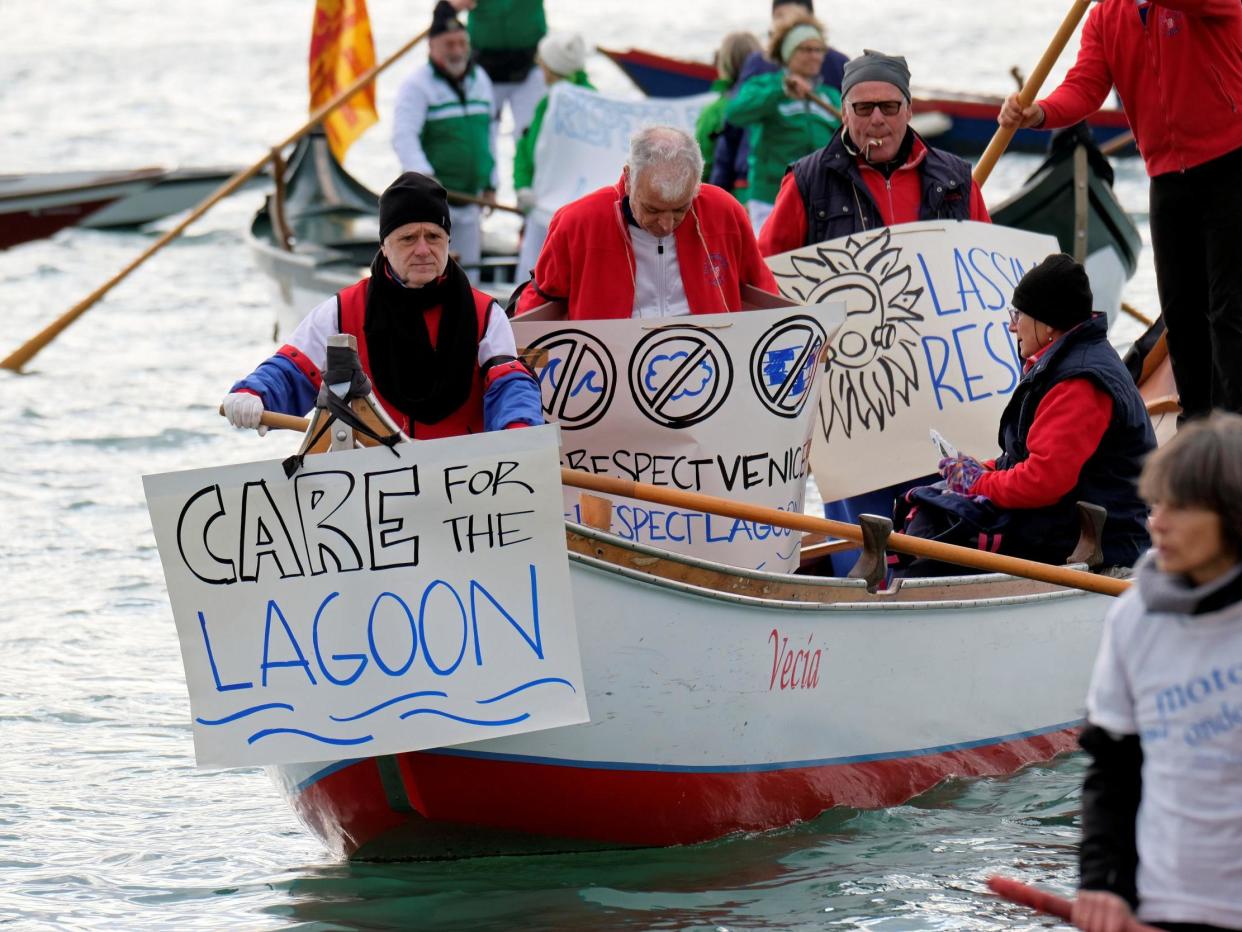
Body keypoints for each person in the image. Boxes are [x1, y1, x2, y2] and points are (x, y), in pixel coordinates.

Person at [998, 0, 1242, 423]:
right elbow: (1086, 87)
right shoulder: (1105, 15)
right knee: (1182, 314)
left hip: (1232, 162)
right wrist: (1040, 113)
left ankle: (1235, 430)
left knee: (1230, 310)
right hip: (1166, 176)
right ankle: (1197, 432)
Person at [1072, 412, 1242, 932]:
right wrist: (1102, 885)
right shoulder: (1133, 616)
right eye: (1156, 503)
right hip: (1163, 902)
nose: (1156, 523)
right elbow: (1113, 768)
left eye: (1180, 506)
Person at [222, 172, 542, 439]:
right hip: (377, 489)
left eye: (433, 236)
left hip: (467, 485)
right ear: (384, 247)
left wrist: (521, 430)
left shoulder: (486, 314)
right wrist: (255, 392)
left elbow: (508, 384)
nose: (422, 249)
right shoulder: (341, 311)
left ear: (448, 242)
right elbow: (293, 370)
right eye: (407, 238)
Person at [898, 255, 1155, 575]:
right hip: (1068, 525)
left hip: (1100, 542)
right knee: (930, 519)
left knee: (925, 555)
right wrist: (984, 469)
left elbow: (1042, 481)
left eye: (1018, 314)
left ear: (1048, 323)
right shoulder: (1071, 363)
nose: (1011, 325)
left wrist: (979, 483)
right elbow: (1031, 459)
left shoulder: (1079, 382)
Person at [514, 126, 779, 320]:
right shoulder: (577, 222)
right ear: (629, 178)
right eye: (652, 209)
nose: (666, 224)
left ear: (697, 184)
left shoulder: (725, 210)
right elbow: (539, 304)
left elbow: (763, 291)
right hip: (607, 373)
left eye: (680, 209)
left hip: (710, 370)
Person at [759, 48, 989, 257]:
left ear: (908, 111)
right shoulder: (806, 182)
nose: (877, 119)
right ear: (845, 113)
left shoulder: (957, 179)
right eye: (864, 108)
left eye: (889, 107)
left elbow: (987, 259)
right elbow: (765, 270)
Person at [393, 1, 498, 282]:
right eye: (449, 45)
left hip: (472, 200)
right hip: (436, 206)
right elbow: (404, 137)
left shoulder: (481, 81)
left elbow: (489, 135)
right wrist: (428, 184)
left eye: (461, 43)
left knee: (468, 281)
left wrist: (491, 182)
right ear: (432, 47)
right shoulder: (417, 85)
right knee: (436, 278)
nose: (457, 51)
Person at [711, 1, 849, 201]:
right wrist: (781, 91)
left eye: (819, 50)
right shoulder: (764, 85)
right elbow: (735, 114)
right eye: (806, 50)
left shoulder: (830, 95)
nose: (815, 56)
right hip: (772, 196)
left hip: (818, 195)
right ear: (789, 53)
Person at [513, 31, 595, 282]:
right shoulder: (595, 102)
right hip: (553, 206)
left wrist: (524, 184)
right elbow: (528, 150)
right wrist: (522, 185)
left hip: (550, 208)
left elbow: (527, 151)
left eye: (543, 62)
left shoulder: (554, 105)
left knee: (533, 271)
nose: (539, 66)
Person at [449, 0, 547, 140]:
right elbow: (450, 7)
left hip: (530, 66)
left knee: (533, 137)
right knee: (481, 138)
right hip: (484, 69)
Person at [695, 30, 763, 195]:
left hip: (731, 198)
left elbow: (701, 164)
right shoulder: (771, 102)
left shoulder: (713, 112)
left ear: (723, 63)